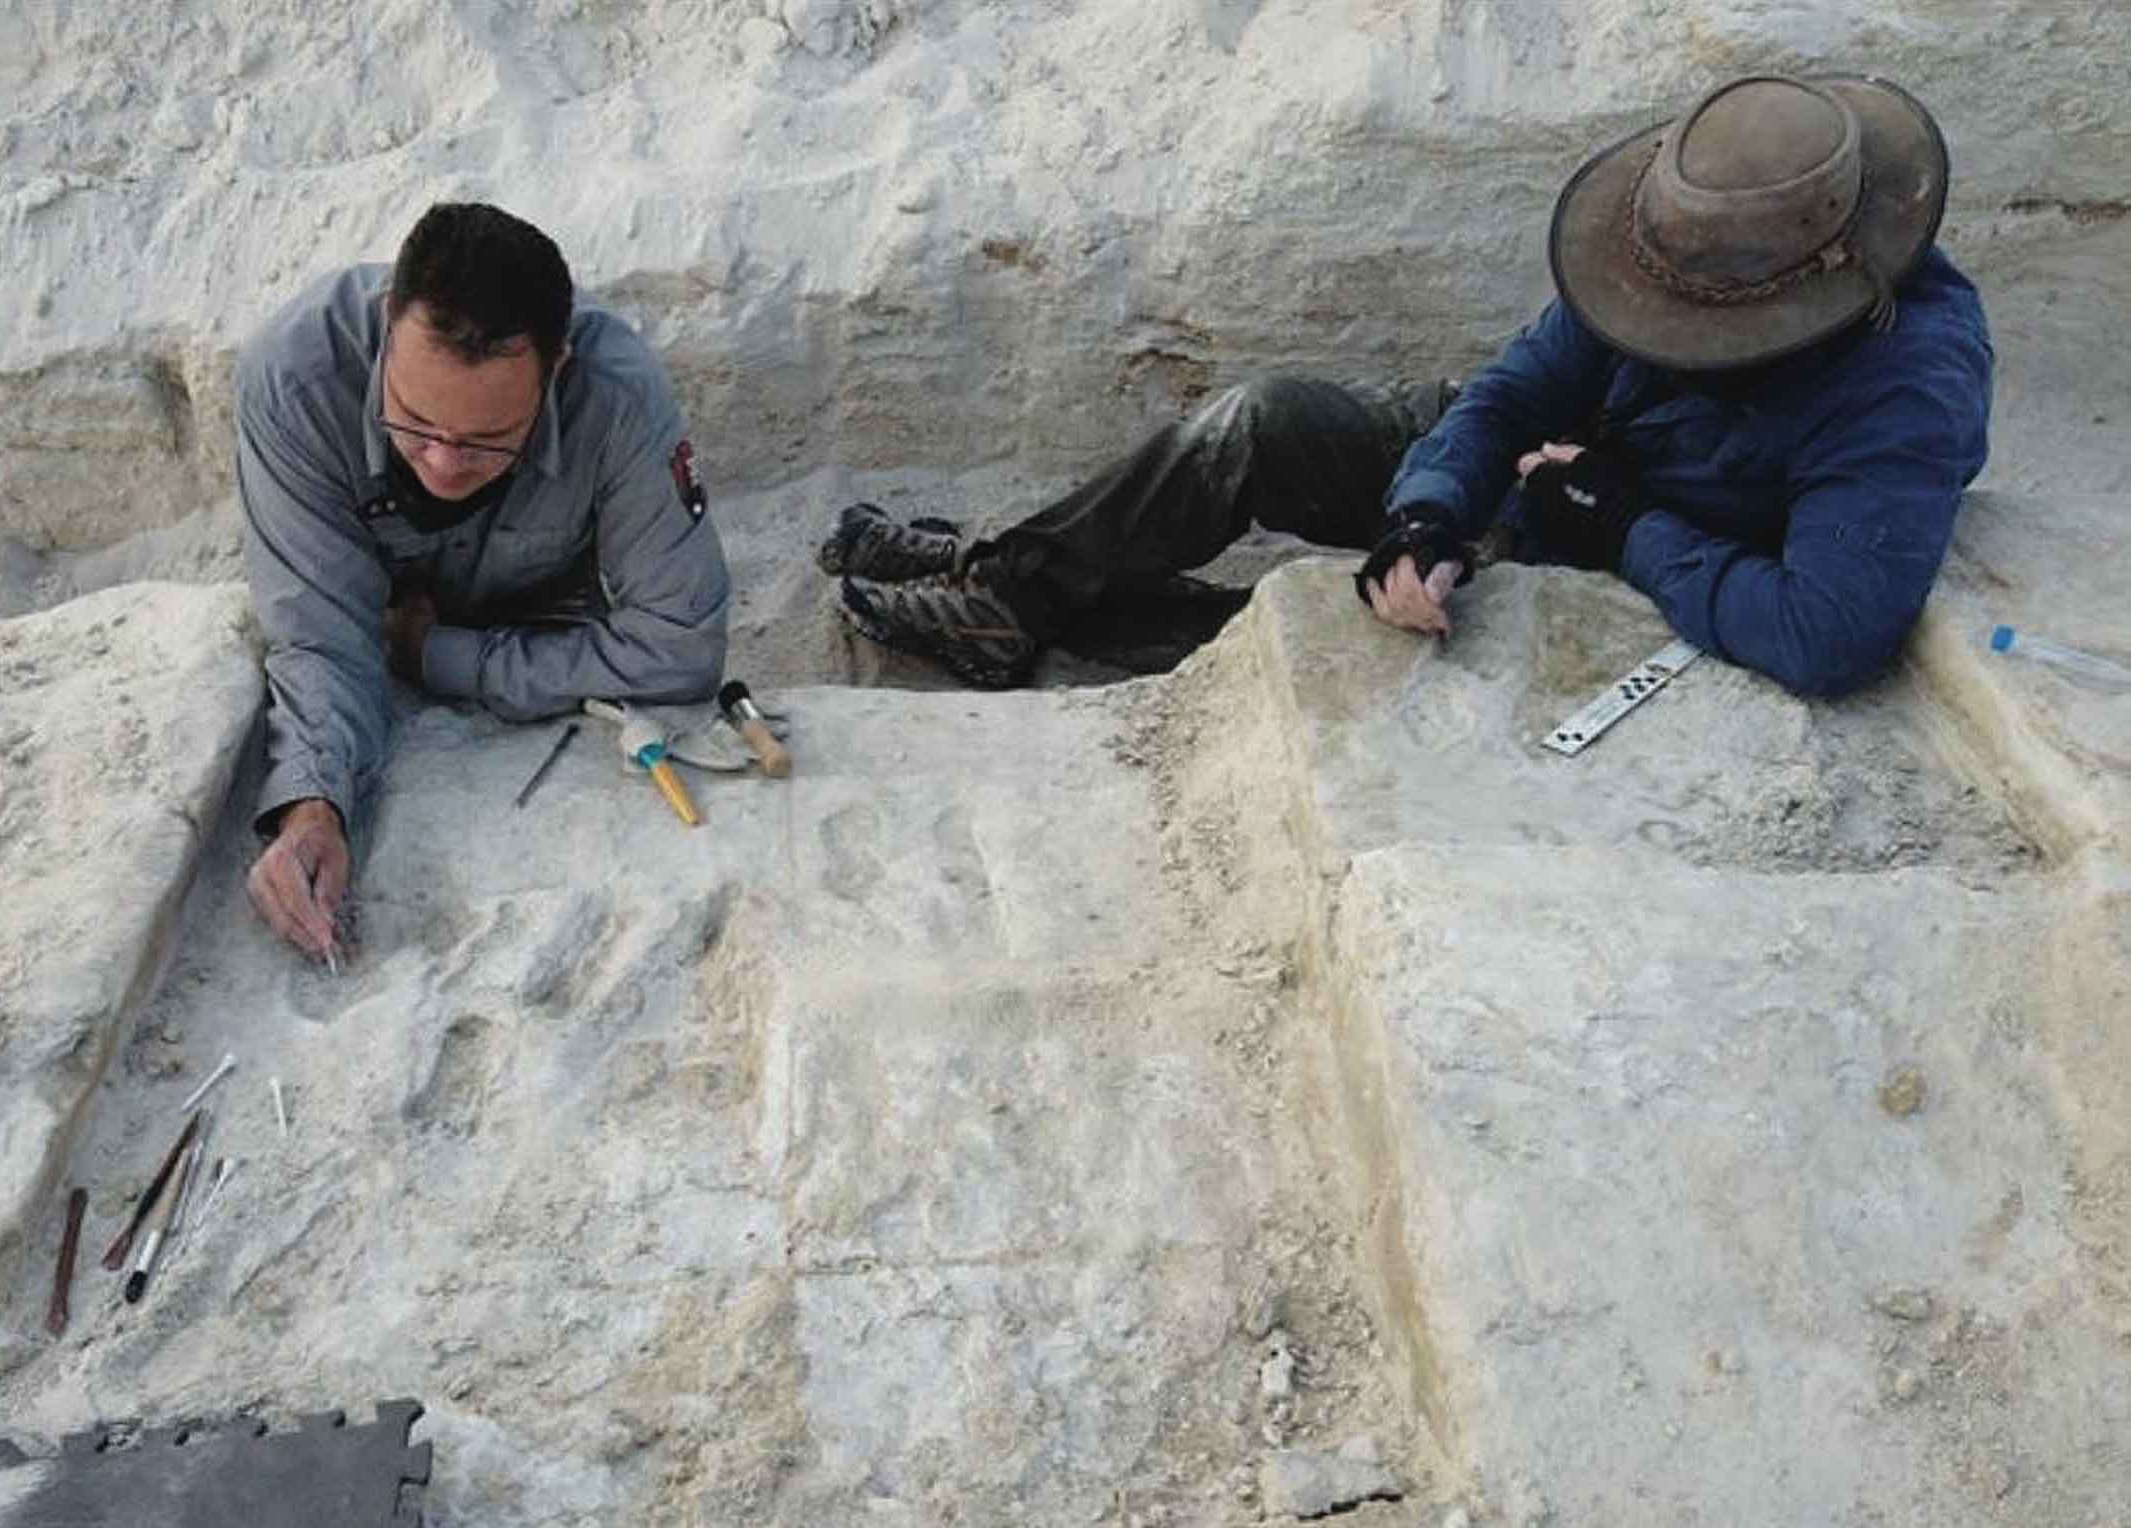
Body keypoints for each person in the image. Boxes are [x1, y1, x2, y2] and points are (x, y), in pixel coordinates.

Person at [824, 73, 1993, 701]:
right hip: (1549, 479)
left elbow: (1825, 632)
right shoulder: (1682, 242)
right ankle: (1007, 590)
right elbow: (1515, 388)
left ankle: (1034, 612)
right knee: (1260, 422)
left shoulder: (1902, 398)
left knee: (1318, 632)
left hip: (1616, 549)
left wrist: (1628, 525)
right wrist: (1427, 508)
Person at [237, 203, 731, 961]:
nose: (441, 463)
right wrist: (313, 811)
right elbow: (322, 640)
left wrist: (437, 654)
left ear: (556, 370)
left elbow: (680, 646)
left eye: (488, 440)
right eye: (411, 420)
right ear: (385, 324)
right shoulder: (296, 379)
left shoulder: (618, 394)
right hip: (377, 600)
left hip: (534, 615)